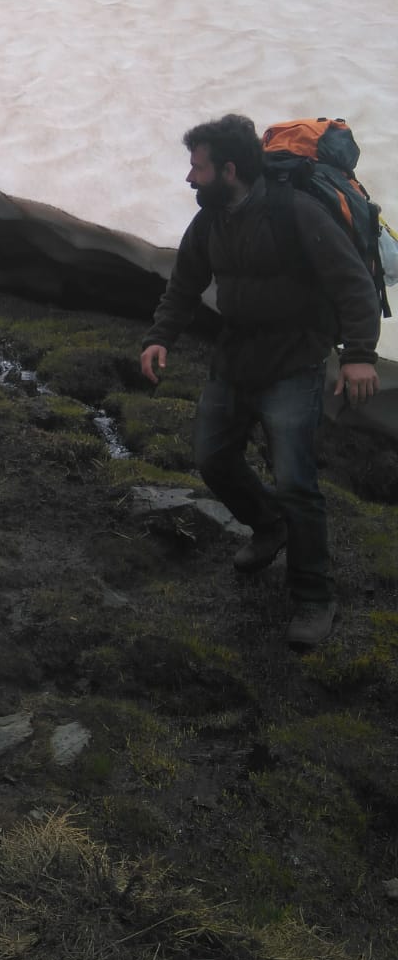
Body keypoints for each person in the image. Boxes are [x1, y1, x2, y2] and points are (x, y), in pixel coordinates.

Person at [139, 113, 380, 651]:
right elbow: (184, 285)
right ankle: (268, 525)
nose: (189, 179)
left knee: (297, 481)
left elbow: (353, 285)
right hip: (236, 357)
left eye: (197, 168)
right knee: (212, 458)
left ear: (229, 169)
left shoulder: (295, 212)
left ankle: (314, 597)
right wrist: (160, 338)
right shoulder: (211, 220)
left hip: (294, 361)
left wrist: (360, 355)